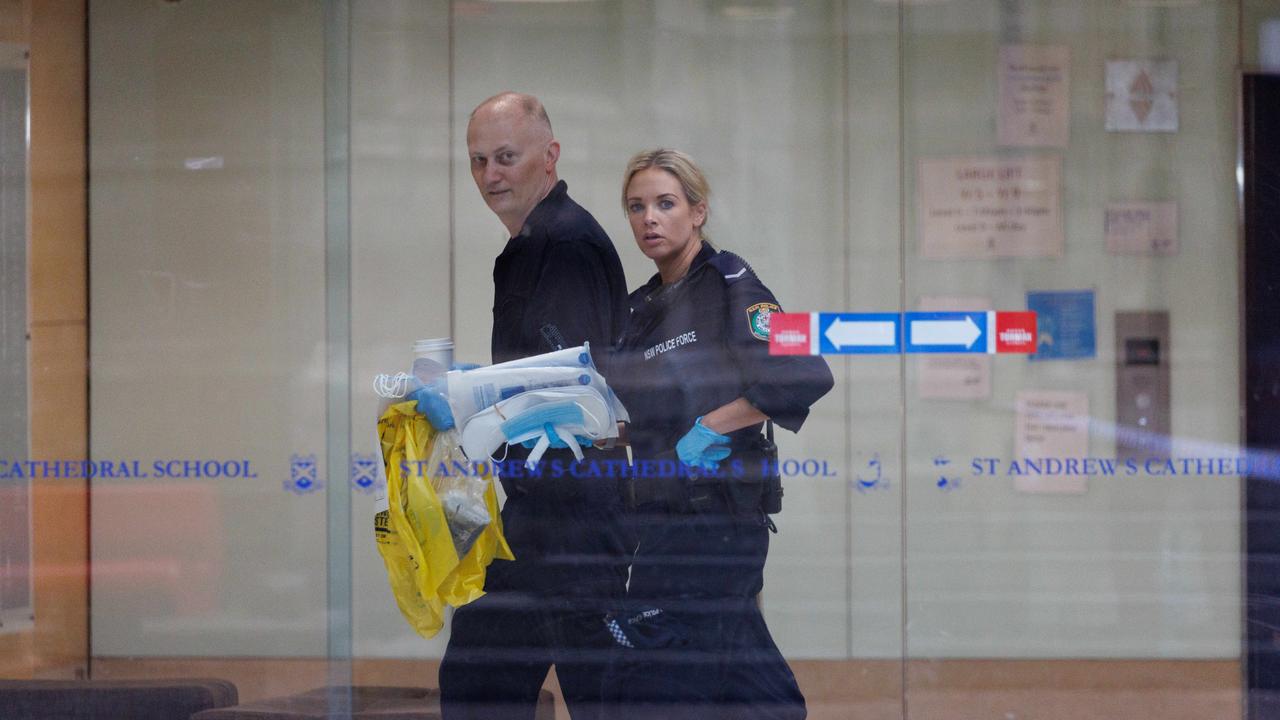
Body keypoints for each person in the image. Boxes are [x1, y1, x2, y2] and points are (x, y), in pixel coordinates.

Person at [603, 149, 833, 719]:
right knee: (744, 680)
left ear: (698, 211)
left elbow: (803, 373)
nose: (649, 219)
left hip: (714, 522)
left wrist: (713, 425)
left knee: (663, 677)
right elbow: (652, 411)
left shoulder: (731, 283)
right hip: (660, 518)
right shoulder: (640, 309)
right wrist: (612, 432)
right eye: (636, 207)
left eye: (665, 204)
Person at [430, 92, 632, 720]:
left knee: (584, 692)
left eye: (506, 157)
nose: (490, 175)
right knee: (480, 678)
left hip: (572, 516)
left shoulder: (564, 242)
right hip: (541, 513)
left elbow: (565, 392)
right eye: (478, 161)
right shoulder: (533, 243)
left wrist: (471, 410)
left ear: (550, 157)